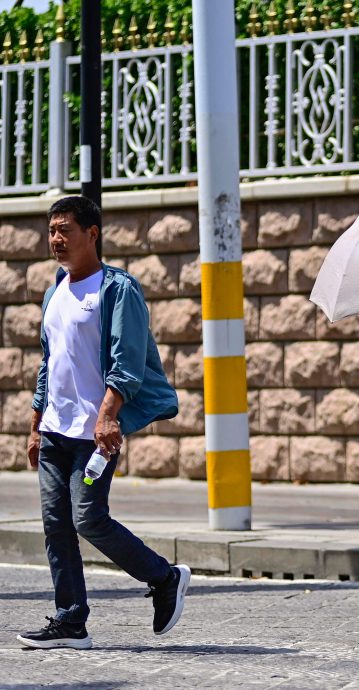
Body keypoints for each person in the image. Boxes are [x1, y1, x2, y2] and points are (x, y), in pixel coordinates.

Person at [17, 196, 188, 651]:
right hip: (55, 430)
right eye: (52, 230)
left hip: (95, 433)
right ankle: (71, 621)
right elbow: (49, 363)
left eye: (64, 230)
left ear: (91, 234)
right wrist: (35, 424)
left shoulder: (117, 289)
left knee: (88, 518)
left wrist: (108, 415)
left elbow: (126, 362)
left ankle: (164, 577)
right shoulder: (55, 291)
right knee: (56, 524)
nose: (56, 239)